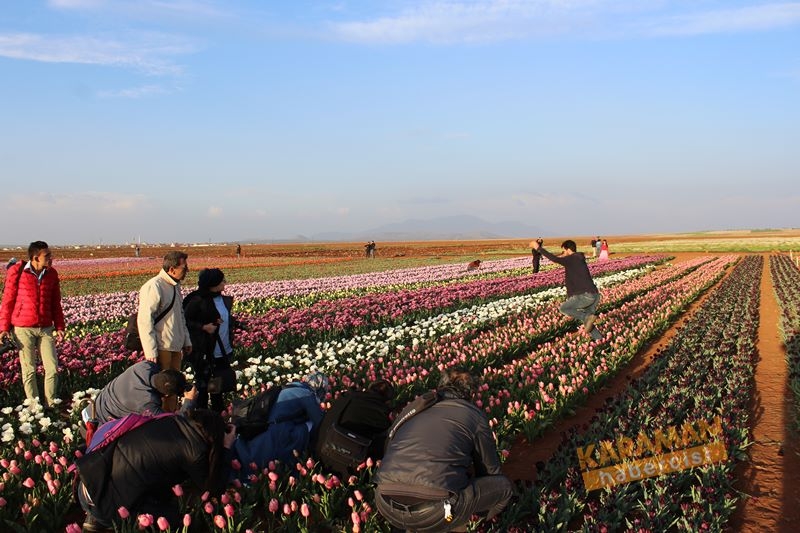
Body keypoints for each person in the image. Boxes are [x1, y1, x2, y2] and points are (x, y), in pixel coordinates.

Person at [375, 368, 513, 533]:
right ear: (472, 394)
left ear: (440, 386)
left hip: (385, 502)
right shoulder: (474, 415)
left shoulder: (417, 406)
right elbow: (490, 470)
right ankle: (463, 524)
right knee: (503, 487)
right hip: (436, 511)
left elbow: (389, 446)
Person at [76, 409, 236, 532]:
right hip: (106, 507)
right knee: (179, 520)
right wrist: (227, 448)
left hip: (87, 484)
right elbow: (211, 489)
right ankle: (102, 516)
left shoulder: (169, 420)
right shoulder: (195, 450)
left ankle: (95, 515)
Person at [0, 241, 65, 407]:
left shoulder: (52, 274)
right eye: (47, 256)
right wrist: (4, 328)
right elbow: (8, 300)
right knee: (29, 370)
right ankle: (35, 407)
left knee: (52, 368)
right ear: (36, 257)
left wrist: (60, 327)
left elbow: (55, 303)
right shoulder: (17, 271)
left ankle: (51, 404)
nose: (51, 258)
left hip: (45, 328)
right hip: (23, 329)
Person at [232, 372, 329, 476]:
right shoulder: (307, 394)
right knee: (308, 426)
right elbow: (319, 421)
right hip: (277, 432)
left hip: (260, 427)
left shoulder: (290, 386)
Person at [137, 251, 192, 412]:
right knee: (164, 388)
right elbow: (145, 320)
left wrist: (186, 340)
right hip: (161, 347)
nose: (187, 270)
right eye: (184, 267)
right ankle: (161, 420)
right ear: (172, 269)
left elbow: (180, 316)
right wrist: (150, 350)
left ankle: (171, 417)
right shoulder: (155, 286)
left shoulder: (174, 286)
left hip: (175, 345)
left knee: (175, 386)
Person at [315, 379, 395, 477]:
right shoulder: (381, 411)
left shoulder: (346, 396)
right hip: (348, 469)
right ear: (387, 400)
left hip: (319, 455)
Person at [183, 268, 236, 412]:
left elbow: (223, 317)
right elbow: (184, 321)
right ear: (213, 284)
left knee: (218, 385)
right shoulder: (197, 299)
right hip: (204, 350)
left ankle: (218, 415)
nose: (225, 283)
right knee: (203, 386)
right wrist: (203, 327)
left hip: (222, 348)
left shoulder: (221, 298)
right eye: (222, 280)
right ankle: (202, 416)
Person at [532, 239, 603, 340]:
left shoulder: (572, 258)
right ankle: (599, 339)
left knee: (564, 309)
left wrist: (538, 248)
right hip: (594, 295)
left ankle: (588, 320)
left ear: (568, 249)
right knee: (588, 322)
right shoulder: (578, 258)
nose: (563, 254)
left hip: (585, 295)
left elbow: (555, 259)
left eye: (564, 251)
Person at [84, 361, 197, 423]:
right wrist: (188, 402)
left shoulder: (145, 366)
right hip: (94, 425)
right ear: (166, 395)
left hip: (92, 408)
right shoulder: (148, 401)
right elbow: (173, 425)